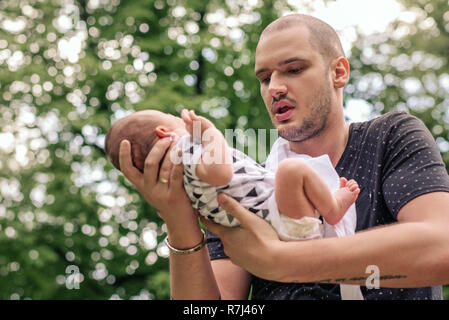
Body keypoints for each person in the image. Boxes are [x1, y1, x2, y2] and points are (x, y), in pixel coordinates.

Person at [116, 14, 449, 300]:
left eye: (293, 69)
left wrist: (282, 260)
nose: (274, 86)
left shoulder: (390, 136)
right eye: (264, 78)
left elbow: (442, 246)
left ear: (339, 73)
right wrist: (178, 220)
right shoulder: (241, 191)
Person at [105, 108, 360, 241]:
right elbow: (220, 173)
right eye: (172, 118)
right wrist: (211, 132)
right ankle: (333, 207)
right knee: (291, 169)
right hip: (283, 219)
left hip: (273, 229)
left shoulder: (178, 184)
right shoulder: (185, 150)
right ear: (163, 132)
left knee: (288, 172)